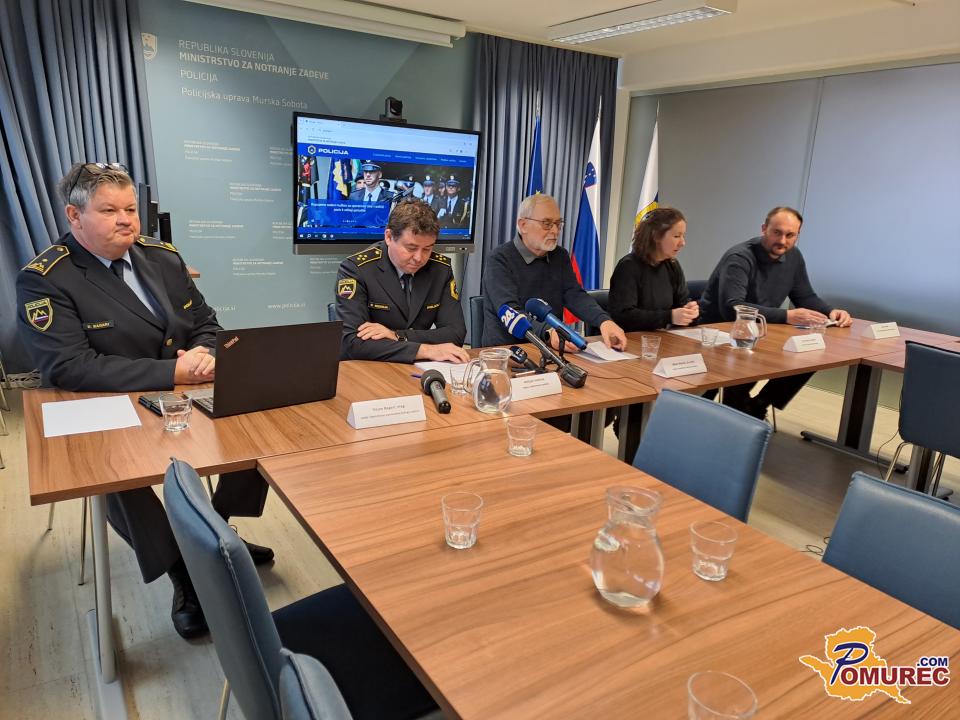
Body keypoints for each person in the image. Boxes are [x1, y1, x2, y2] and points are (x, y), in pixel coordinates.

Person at [16, 163, 273, 640]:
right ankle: (181, 567)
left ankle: (214, 531)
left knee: (257, 418)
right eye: (109, 211)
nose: (126, 221)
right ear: (74, 216)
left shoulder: (163, 258)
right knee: (110, 470)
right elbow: (68, 368)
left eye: (130, 209)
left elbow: (207, 322)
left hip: (179, 389)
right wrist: (172, 372)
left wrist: (204, 352)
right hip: (107, 397)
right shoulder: (46, 278)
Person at [698, 206, 852, 419]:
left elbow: (805, 296)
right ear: (764, 229)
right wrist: (787, 316)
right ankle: (735, 412)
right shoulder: (740, 257)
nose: (782, 241)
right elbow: (732, 307)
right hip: (717, 334)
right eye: (777, 233)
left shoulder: (794, 256)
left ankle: (758, 405)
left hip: (760, 332)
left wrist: (831, 311)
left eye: (790, 235)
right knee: (749, 361)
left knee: (811, 354)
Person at [481, 194, 628, 351]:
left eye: (558, 224)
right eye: (547, 224)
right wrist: (548, 333)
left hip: (552, 348)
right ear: (523, 225)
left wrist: (604, 320)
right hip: (508, 351)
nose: (555, 231)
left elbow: (575, 295)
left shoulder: (560, 256)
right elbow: (510, 312)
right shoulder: (499, 259)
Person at [336, 198, 469, 363]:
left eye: (427, 249)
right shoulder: (357, 269)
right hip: (372, 368)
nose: (419, 258)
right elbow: (352, 343)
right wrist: (425, 349)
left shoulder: (440, 269)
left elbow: (455, 333)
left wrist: (397, 336)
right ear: (389, 237)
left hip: (419, 368)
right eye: (411, 248)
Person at [608, 207, 699, 330]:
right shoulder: (628, 266)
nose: (683, 243)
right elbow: (623, 316)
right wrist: (669, 317)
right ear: (656, 236)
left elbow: (682, 304)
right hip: (631, 338)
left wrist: (690, 313)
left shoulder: (673, 265)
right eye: (677, 236)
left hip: (663, 337)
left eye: (683, 236)